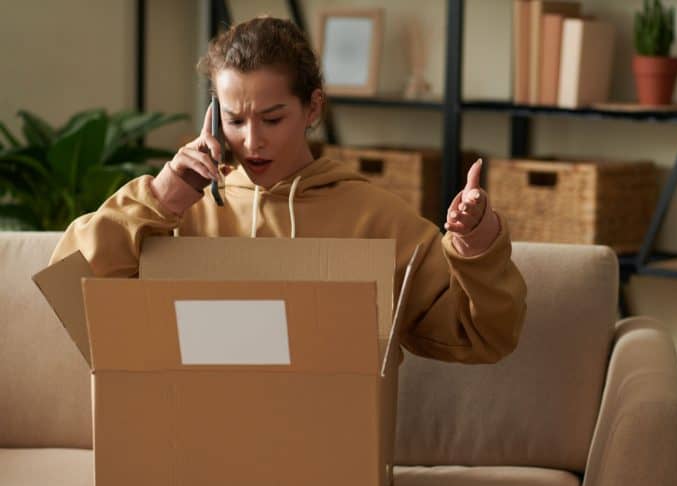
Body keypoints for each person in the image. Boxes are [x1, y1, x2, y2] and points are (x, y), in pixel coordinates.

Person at [50, 16, 527, 364]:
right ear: (213, 116)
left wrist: (476, 241)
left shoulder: (374, 217)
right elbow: (69, 290)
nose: (252, 141)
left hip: (329, 446)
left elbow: (483, 337)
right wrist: (161, 197)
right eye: (235, 120)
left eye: (272, 118)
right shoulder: (183, 210)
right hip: (191, 437)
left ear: (313, 107)